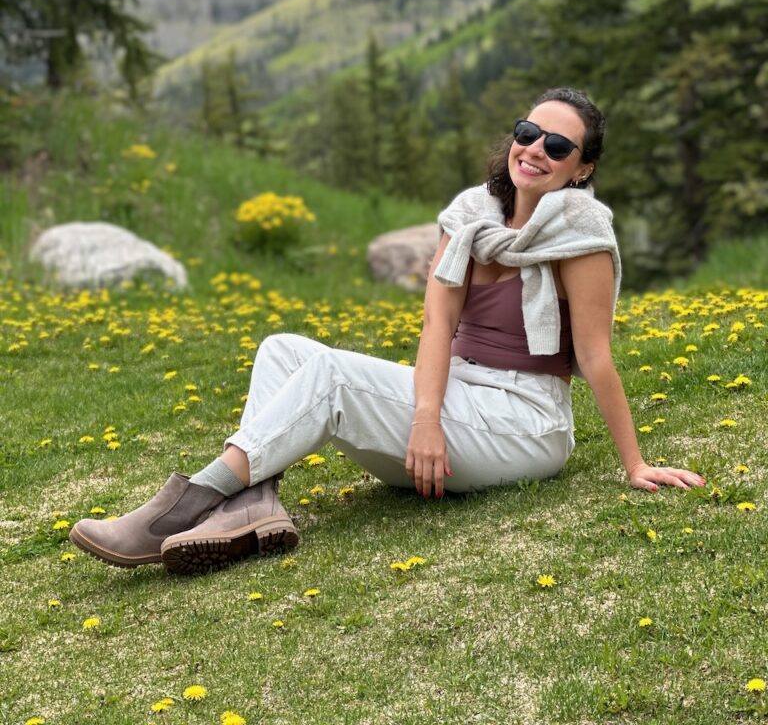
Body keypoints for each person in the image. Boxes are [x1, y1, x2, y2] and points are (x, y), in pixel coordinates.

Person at [69, 86, 706, 575]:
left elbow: (595, 355)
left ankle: (181, 509)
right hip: (456, 406)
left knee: (329, 374)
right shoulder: (469, 217)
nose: (535, 149)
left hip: (523, 422)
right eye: (528, 132)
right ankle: (253, 509)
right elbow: (437, 324)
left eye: (557, 146)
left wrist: (636, 464)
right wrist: (426, 417)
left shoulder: (581, 236)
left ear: (582, 169)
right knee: (284, 350)